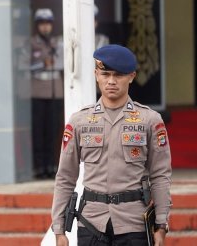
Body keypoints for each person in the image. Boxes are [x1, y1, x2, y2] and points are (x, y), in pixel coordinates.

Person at [51, 44, 172, 246]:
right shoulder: (79, 121)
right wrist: (59, 228)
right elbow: (65, 176)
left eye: (118, 75)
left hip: (133, 223)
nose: (111, 81)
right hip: (91, 222)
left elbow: (160, 175)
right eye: (105, 74)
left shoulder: (150, 120)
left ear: (131, 76)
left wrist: (161, 224)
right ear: (96, 75)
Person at [30, 8, 64, 179]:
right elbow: (23, 66)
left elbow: (64, 62)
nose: (45, 27)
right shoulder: (31, 44)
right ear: (37, 25)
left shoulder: (58, 43)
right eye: (42, 23)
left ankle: (51, 166)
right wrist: (43, 64)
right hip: (37, 91)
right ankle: (39, 168)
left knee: (53, 131)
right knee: (38, 131)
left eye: (48, 23)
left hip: (55, 91)